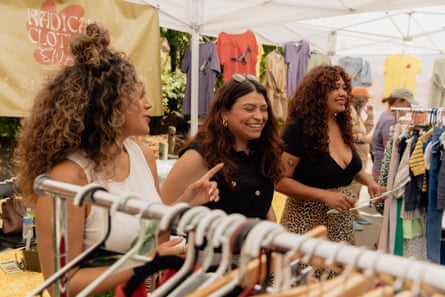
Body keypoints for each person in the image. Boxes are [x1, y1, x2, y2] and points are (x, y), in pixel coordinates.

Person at [13, 23, 222, 296]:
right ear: (108, 103)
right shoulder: (68, 180)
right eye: (138, 95)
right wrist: (145, 261)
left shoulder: (140, 154)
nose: (148, 104)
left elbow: (149, 232)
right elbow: (60, 285)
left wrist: (183, 202)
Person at [275, 65, 385, 247]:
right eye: (334, 87)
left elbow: (353, 168)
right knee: (306, 274)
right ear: (316, 93)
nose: (342, 93)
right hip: (307, 226)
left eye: (344, 88)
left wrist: (371, 183)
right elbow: (279, 181)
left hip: (340, 224)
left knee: (339, 274)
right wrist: (324, 195)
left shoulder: (342, 126)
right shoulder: (298, 129)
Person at [161, 74, 284, 221]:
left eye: (264, 109)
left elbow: (264, 205)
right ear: (225, 113)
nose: (259, 116)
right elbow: (160, 212)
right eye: (249, 109)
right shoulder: (199, 156)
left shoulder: (261, 151)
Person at [371, 87, 418, 181]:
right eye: (408, 104)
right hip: (384, 173)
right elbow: (391, 149)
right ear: (398, 102)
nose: (410, 108)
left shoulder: (385, 115)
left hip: (380, 169)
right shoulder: (390, 120)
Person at [349, 86, 374, 231]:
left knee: (357, 187)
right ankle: (348, 217)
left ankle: (355, 214)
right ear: (359, 99)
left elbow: (364, 130)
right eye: (365, 99)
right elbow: (349, 134)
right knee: (351, 187)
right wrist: (365, 139)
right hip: (355, 155)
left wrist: (370, 116)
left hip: (361, 156)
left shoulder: (356, 112)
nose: (366, 102)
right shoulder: (349, 112)